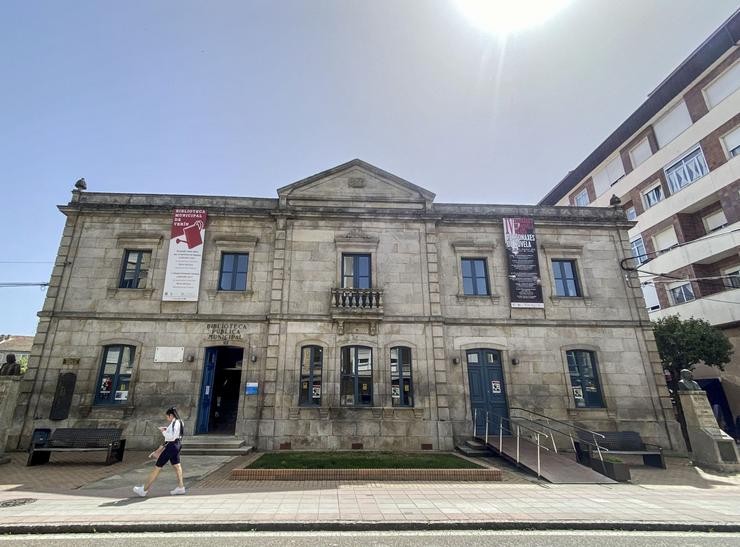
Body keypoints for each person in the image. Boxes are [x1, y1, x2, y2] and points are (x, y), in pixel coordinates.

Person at [133, 407, 186, 496]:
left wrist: (163, 432)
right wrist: (166, 430)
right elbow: (175, 434)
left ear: (171, 415)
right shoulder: (180, 422)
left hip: (172, 446)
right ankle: (181, 487)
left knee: (158, 467)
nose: (167, 419)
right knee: (177, 466)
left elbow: (171, 437)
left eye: (167, 417)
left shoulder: (174, 423)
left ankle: (144, 489)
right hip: (178, 445)